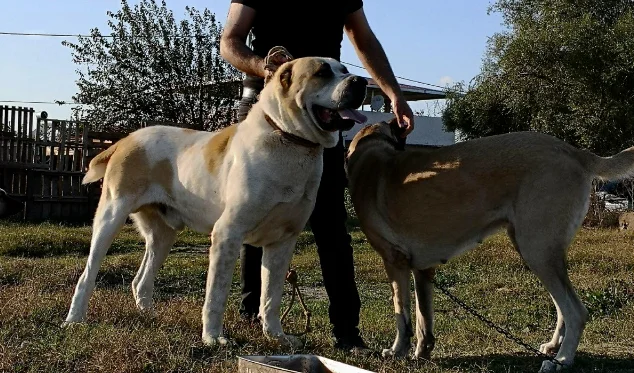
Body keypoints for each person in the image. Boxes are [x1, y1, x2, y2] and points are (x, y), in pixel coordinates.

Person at [219, 0, 415, 353]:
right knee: (251, 218)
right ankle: (252, 320)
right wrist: (263, 66)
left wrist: (394, 94)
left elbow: (364, 38)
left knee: (330, 222)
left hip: (324, 107)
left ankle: (347, 332)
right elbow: (230, 41)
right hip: (268, 106)